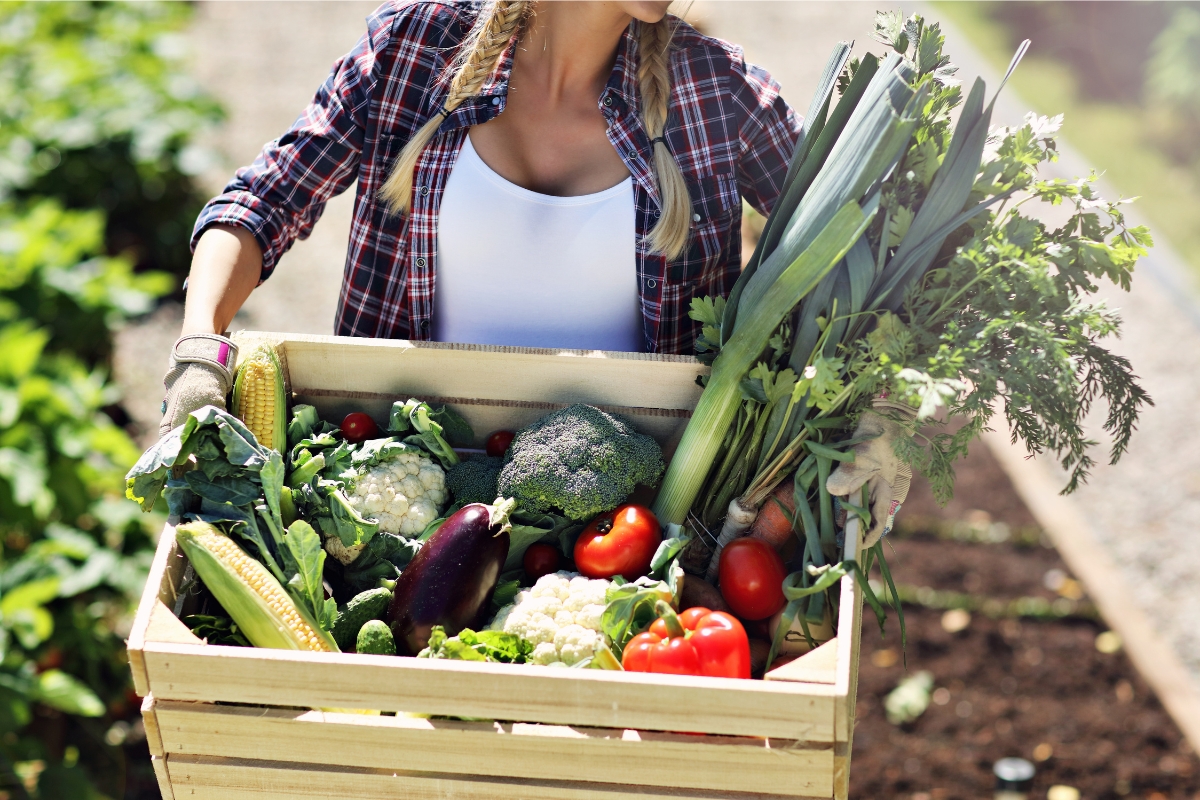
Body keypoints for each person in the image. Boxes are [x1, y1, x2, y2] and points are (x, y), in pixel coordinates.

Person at [158, 0, 910, 545]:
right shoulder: (415, 48)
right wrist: (199, 347)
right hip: (395, 501)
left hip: (630, 526)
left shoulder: (717, 94)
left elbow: (864, 255)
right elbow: (262, 201)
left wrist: (884, 412)